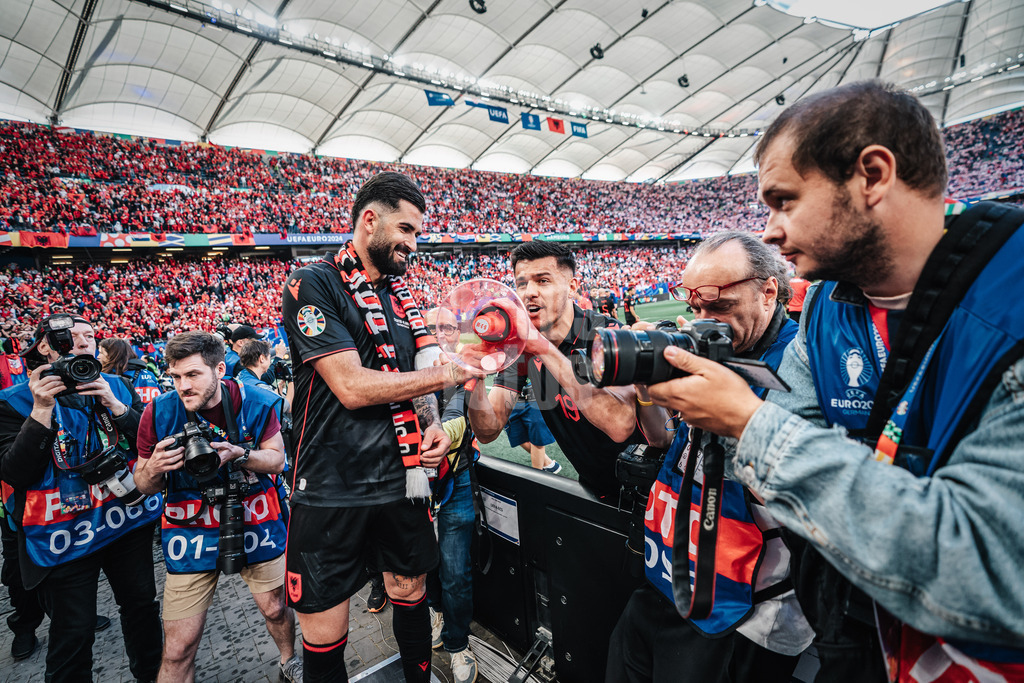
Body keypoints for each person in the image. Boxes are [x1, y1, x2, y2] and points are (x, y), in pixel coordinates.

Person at [647, 80, 1024, 680]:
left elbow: (986, 567)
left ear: (872, 175)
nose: (768, 230)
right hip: (860, 640)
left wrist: (747, 420)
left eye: (784, 201)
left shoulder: (1012, 299)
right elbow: (788, 458)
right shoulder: (828, 306)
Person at [280, 171, 479, 683]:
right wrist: (447, 374)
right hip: (329, 487)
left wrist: (433, 424)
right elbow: (350, 385)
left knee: (411, 595)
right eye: (406, 230)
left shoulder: (401, 296)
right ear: (370, 220)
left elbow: (417, 380)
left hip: (401, 481)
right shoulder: (312, 282)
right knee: (324, 630)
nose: (414, 244)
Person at [606, 232, 811, 683]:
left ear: (768, 291)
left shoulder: (801, 361)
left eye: (718, 307)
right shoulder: (713, 351)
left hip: (746, 610)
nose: (703, 322)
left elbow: (812, 493)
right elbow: (663, 439)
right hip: (672, 576)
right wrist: (647, 383)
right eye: (696, 308)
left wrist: (734, 416)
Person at [0, 314, 163, 682]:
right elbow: (15, 472)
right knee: (73, 632)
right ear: (45, 346)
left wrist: (116, 407)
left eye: (90, 336)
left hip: (124, 524)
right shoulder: (13, 402)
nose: (84, 343)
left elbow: (150, 445)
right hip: (64, 539)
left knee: (141, 609)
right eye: (71, 337)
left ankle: (153, 675)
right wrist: (41, 411)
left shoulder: (118, 386)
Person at [133, 331, 301, 683]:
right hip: (189, 528)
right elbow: (142, 484)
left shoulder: (255, 400)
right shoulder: (158, 412)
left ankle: (289, 661)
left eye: (193, 375)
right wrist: (154, 468)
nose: (183, 386)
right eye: (176, 376)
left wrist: (241, 454)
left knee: (275, 608)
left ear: (220, 369)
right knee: (178, 647)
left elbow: (277, 460)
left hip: (255, 515)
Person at [468, 242, 670, 500]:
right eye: (521, 283)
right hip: (594, 489)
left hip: (652, 491)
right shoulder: (521, 350)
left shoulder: (608, 334)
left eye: (542, 281)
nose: (529, 292)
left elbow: (620, 424)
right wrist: (474, 379)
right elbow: (488, 431)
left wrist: (541, 347)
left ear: (572, 288)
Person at [423, 306, 480, 683]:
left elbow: (460, 417)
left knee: (456, 572)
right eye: (433, 327)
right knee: (424, 566)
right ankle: (435, 611)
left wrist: (444, 434)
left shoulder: (466, 367)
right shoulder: (410, 367)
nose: (442, 333)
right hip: (414, 485)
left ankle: (459, 645)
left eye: (448, 327)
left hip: (455, 478)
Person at [504, 382, 561, 473]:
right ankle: (548, 464)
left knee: (537, 440)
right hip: (511, 393)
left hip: (533, 393)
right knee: (516, 434)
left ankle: (536, 477)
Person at [99, 337, 163, 404]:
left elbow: (154, 408)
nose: (98, 356)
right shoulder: (148, 374)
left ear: (112, 355)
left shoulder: (110, 378)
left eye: (101, 353)